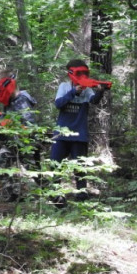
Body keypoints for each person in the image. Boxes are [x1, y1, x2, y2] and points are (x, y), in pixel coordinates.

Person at [50, 58, 107, 190]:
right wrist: (73, 92)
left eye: (85, 73)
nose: (82, 76)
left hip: (79, 134)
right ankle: (54, 194)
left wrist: (100, 91)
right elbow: (58, 104)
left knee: (80, 167)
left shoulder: (87, 90)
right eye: (79, 73)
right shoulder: (64, 86)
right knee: (55, 164)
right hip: (61, 134)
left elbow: (94, 101)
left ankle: (82, 194)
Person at [0, 70, 41, 169]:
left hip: (26, 146)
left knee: (32, 172)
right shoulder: (10, 101)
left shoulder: (22, 101)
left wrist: (6, 123)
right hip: (12, 143)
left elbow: (29, 129)